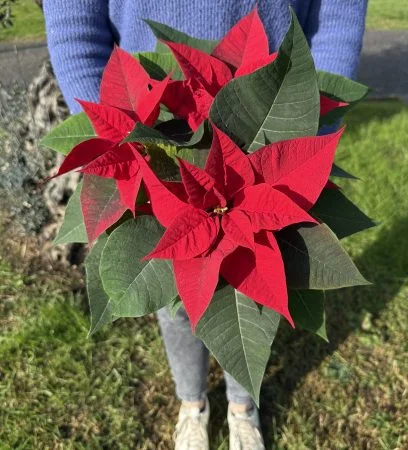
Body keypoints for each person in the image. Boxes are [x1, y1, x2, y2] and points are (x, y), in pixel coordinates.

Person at [43, 1, 368, 449]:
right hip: (156, 119)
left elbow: (340, 13)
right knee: (174, 300)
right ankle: (192, 403)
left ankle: (242, 405)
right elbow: (72, 26)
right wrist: (125, 135)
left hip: (269, 123)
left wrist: (308, 114)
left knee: (254, 304)